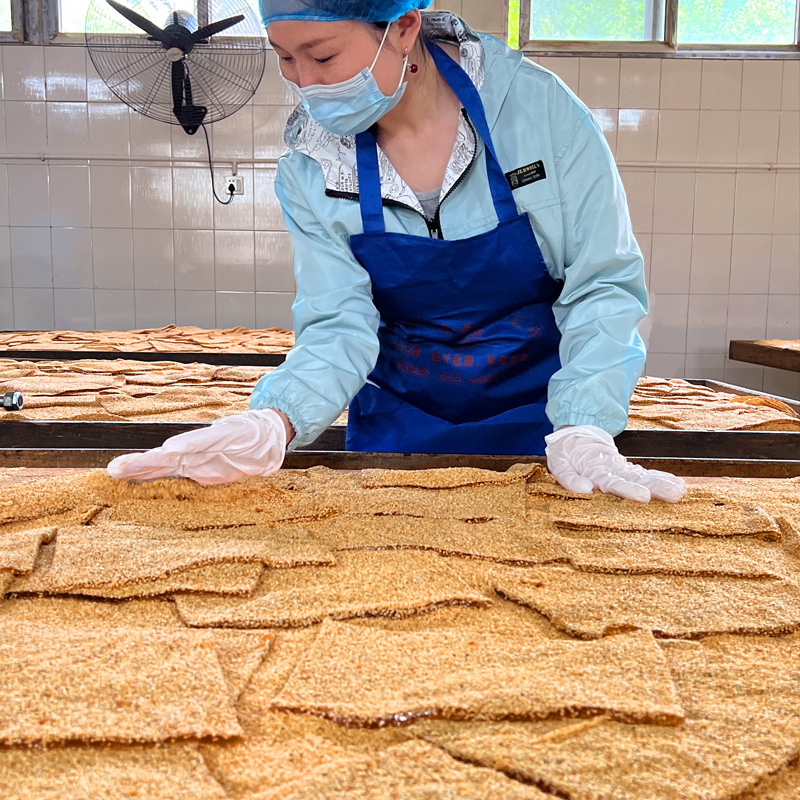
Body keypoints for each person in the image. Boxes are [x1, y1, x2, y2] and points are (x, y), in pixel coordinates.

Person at [108, 0, 686, 504]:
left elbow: (602, 286)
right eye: (285, 59)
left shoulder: (540, 116)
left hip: (546, 427)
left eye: (323, 56)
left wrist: (586, 422)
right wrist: (274, 420)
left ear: (404, 27)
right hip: (400, 426)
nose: (305, 83)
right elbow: (338, 322)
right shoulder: (311, 165)